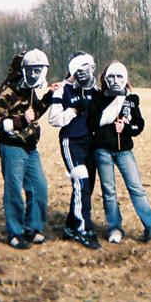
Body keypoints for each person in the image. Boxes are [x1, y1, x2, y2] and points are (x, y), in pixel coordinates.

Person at [87, 61, 151, 244]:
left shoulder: (131, 100)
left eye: (119, 76)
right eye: (111, 76)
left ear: (125, 78)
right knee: (109, 191)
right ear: (105, 78)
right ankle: (114, 227)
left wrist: (126, 128)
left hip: (125, 151)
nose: (115, 80)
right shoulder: (98, 98)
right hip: (102, 150)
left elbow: (139, 125)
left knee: (137, 189)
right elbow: (92, 123)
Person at [0, 48, 56, 249]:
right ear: (22, 69)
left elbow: (33, 114)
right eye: (33, 70)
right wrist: (19, 121)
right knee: (14, 192)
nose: (36, 74)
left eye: (39, 70)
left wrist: (50, 95)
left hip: (30, 147)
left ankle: (32, 228)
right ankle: (14, 233)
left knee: (39, 188)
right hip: (12, 147)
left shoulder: (29, 88)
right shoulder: (7, 91)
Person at [48, 52, 101, 250]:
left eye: (90, 67)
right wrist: (73, 111)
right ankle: (83, 228)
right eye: (82, 67)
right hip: (71, 142)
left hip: (91, 144)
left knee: (87, 186)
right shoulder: (63, 91)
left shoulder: (94, 90)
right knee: (81, 183)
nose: (87, 71)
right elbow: (54, 120)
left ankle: (71, 225)